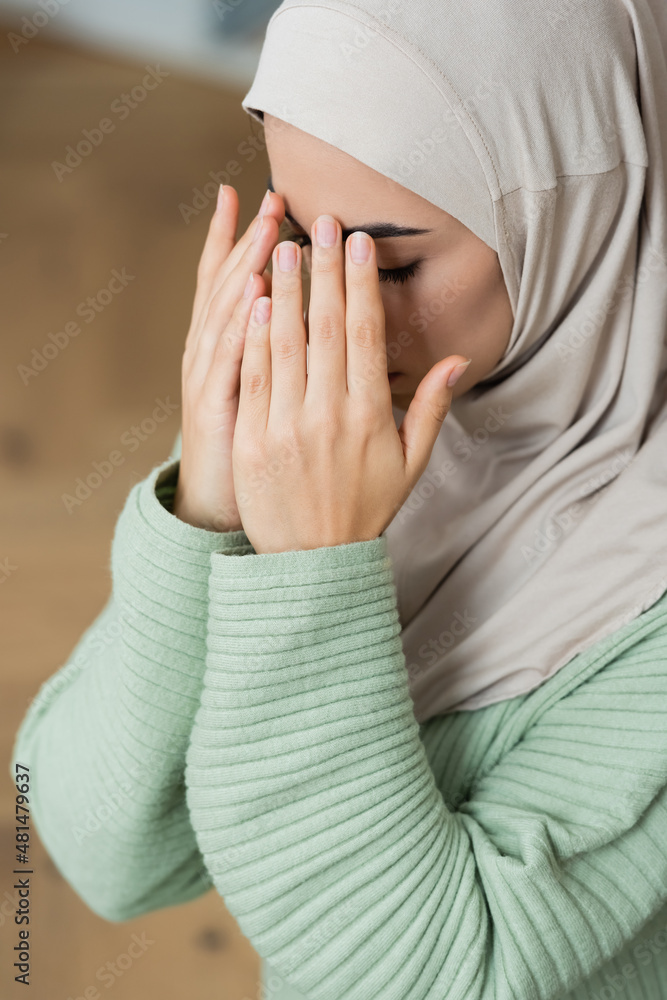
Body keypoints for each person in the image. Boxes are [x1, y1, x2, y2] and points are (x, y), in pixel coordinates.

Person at [11, 1, 667, 998]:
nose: (326, 316)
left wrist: (311, 576)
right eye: (299, 239)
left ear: (586, 214)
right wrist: (206, 516)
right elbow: (107, 852)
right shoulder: (340, 420)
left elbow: (417, 975)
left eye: (390, 261)